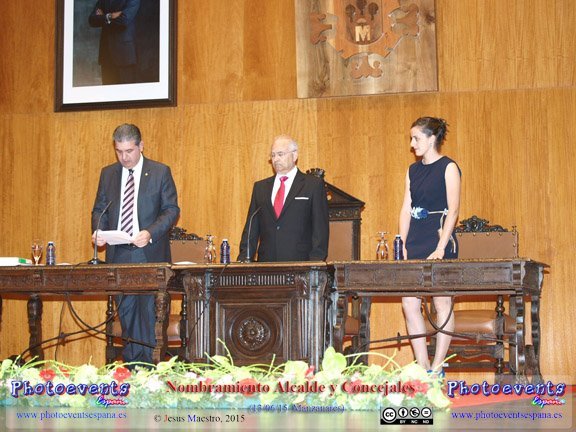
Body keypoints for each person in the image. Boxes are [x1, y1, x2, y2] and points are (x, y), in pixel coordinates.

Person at [91, 123, 179, 365]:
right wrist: (98, 230)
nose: (124, 157)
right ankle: (132, 367)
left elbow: (171, 210)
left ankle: (151, 367)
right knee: (127, 313)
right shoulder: (108, 174)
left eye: (129, 151)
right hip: (119, 253)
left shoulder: (160, 172)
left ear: (141, 146)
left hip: (149, 252)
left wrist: (150, 232)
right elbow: (99, 209)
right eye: (119, 151)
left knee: (150, 314)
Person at [398, 117, 461, 374]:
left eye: (416, 138)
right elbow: (406, 208)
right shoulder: (412, 170)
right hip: (416, 238)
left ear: (432, 138)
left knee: (441, 303)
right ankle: (422, 366)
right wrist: (402, 242)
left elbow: (454, 210)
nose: (412, 144)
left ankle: (437, 366)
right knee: (409, 303)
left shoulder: (449, 167)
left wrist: (441, 247)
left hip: (439, 237)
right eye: (411, 139)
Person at [238, 135, 329, 262]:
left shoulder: (313, 185)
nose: (276, 159)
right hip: (266, 264)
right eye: (273, 155)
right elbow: (251, 229)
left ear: (294, 155)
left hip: (300, 264)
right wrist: (244, 259)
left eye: (280, 154)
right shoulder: (260, 188)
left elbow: (320, 231)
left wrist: (315, 264)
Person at [88, 0, 140, 85]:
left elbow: (124, 21)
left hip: (125, 55)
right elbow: (92, 20)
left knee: (126, 91)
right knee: (108, 91)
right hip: (106, 54)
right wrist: (109, 16)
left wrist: (103, 17)